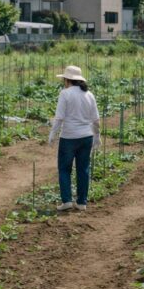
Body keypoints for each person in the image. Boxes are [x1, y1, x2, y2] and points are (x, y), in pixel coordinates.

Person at [47, 65, 100, 212]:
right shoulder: (89, 94)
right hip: (86, 136)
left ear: (67, 79)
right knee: (83, 169)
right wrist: (97, 136)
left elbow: (59, 118)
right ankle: (82, 202)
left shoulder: (65, 94)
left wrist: (53, 134)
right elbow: (96, 120)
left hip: (69, 137)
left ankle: (67, 201)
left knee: (64, 169)